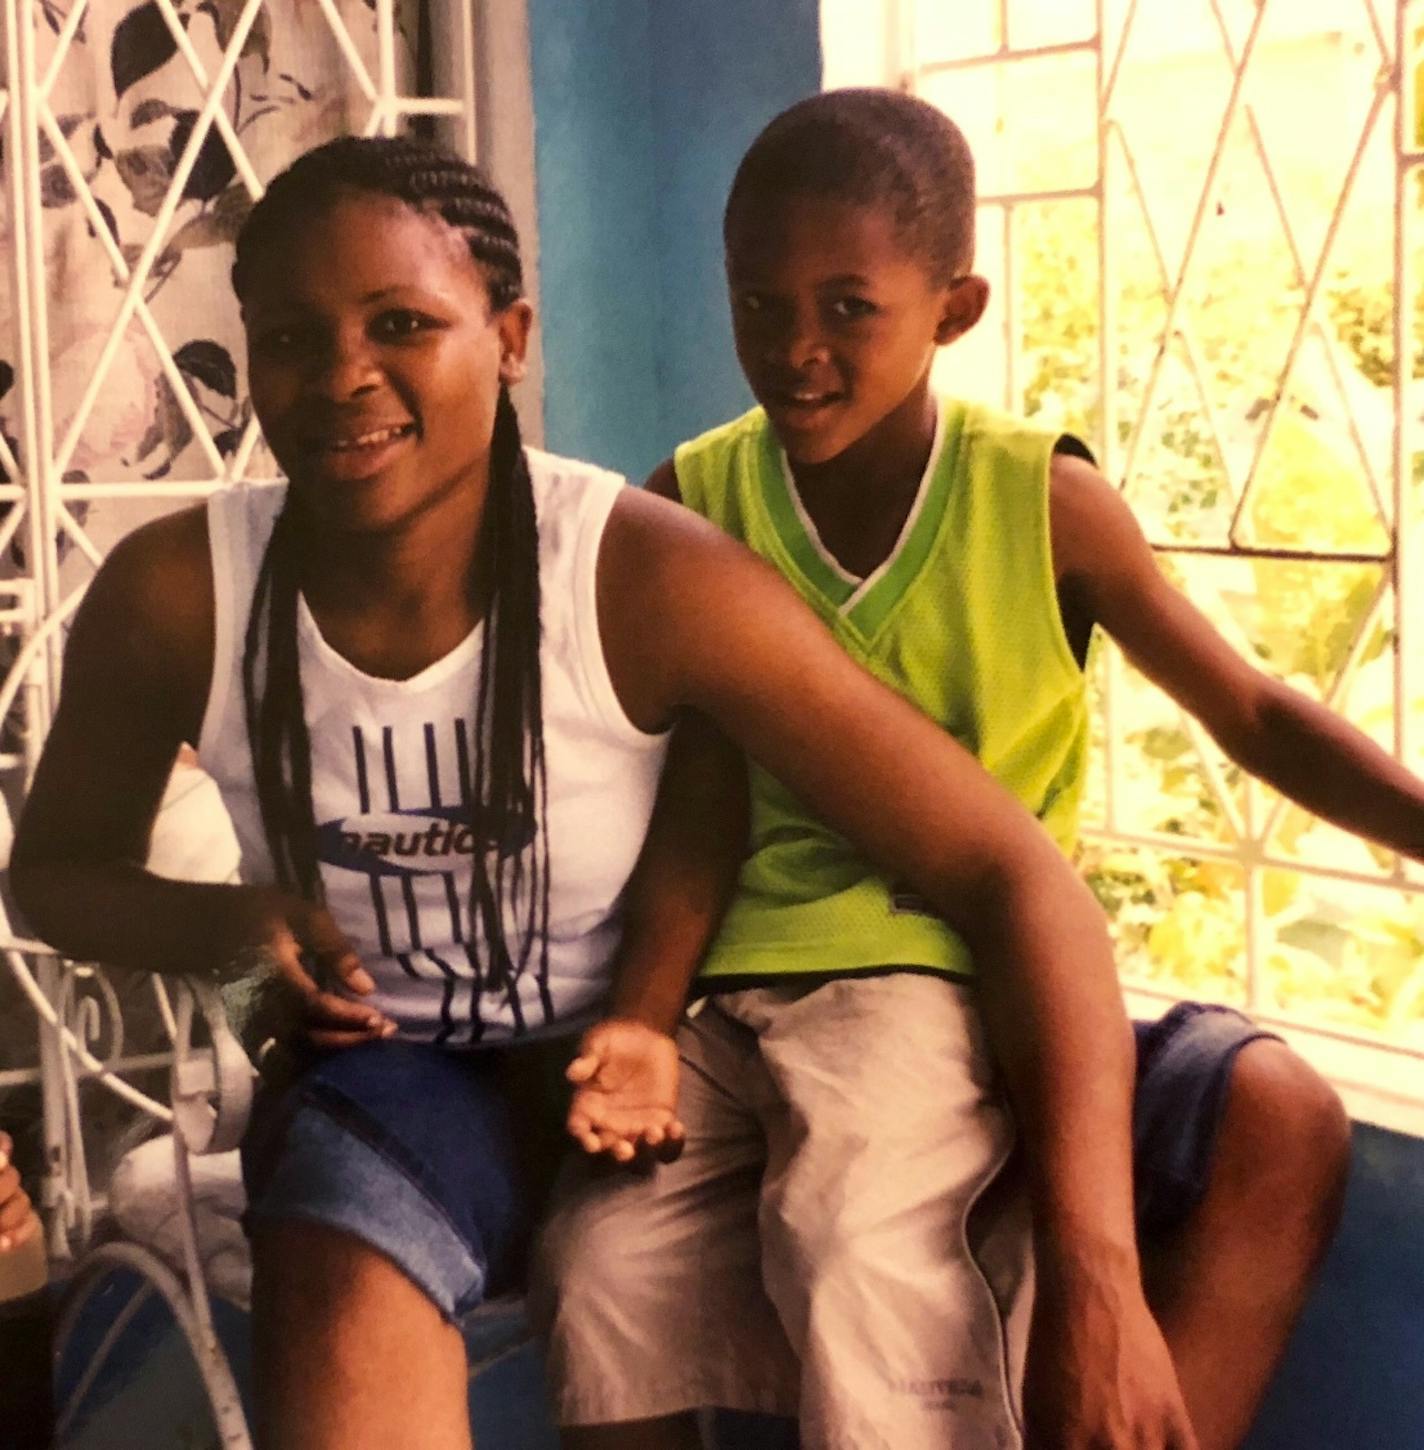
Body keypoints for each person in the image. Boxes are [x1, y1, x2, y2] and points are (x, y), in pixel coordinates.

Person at [8, 135, 1181, 1450]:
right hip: (384, 1082)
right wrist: (226, 937)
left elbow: (1010, 867)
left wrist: (1102, 1280)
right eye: (287, 336)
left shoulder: (639, 573)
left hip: (640, 1064)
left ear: (508, 336)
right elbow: (52, 876)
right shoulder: (178, 591)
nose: (341, 376)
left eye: (403, 323)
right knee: (339, 1277)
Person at [532, 90, 1410, 1450]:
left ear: (956, 304)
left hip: (933, 976)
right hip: (732, 1003)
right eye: (760, 307)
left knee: (854, 1244)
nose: (796, 351)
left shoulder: (1037, 501)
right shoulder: (694, 506)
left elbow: (1249, 709)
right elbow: (698, 815)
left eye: (846, 308)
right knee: (599, 1266)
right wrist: (645, 1016)